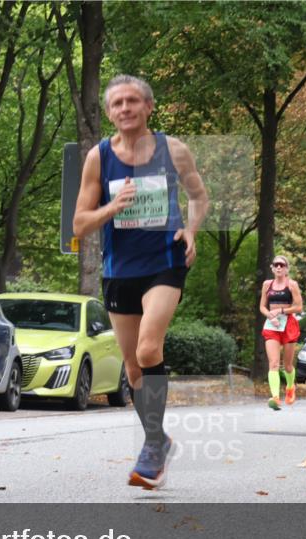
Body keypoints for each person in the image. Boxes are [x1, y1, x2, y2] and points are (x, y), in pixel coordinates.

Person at [72, 75, 209, 489]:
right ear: (109, 112)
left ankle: (150, 450)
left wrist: (192, 229)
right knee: (133, 367)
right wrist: (112, 207)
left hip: (164, 263)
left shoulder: (173, 150)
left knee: (150, 348)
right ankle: (157, 440)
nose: (125, 108)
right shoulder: (98, 158)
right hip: (119, 271)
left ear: (149, 107)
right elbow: (79, 223)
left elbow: (199, 197)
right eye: (117, 103)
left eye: (133, 101)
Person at [260, 255, 303, 410]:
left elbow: (299, 307)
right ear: (272, 268)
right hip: (272, 325)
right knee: (273, 363)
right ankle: (275, 397)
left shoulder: (292, 285)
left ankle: (290, 387)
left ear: (287, 269)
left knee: (288, 365)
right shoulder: (267, 284)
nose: (279, 267)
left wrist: (281, 311)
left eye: (282, 265)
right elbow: (262, 307)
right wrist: (270, 315)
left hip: (288, 324)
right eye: (276, 265)